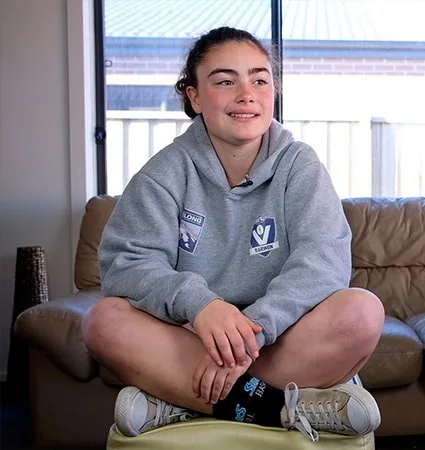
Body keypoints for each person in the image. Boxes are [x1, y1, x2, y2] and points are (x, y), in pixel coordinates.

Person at [81, 26, 386, 442]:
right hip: (192, 338)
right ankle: (279, 408)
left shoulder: (299, 165)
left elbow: (323, 262)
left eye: (260, 80)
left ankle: (176, 403)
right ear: (194, 96)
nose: (247, 94)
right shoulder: (163, 173)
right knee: (103, 321)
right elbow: (127, 264)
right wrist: (202, 306)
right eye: (226, 81)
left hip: (277, 336)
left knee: (362, 313)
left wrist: (250, 334)